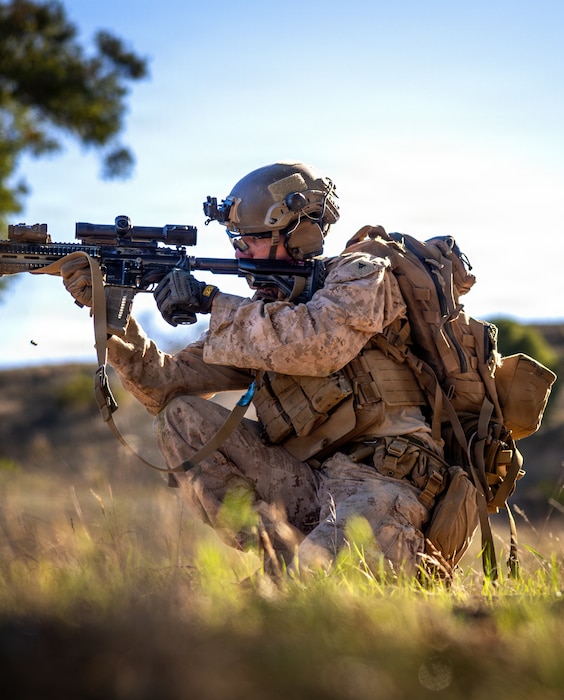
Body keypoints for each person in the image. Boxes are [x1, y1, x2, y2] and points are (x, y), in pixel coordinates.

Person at [48, 161, 481, 577]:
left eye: (249, 240)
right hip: (310, 484)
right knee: (181, 418)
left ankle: (315, 570)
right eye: (236, 241)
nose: (240, 252)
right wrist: (109, 313)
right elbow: (163, 384)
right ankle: (280, 559)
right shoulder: (265, 315)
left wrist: (209, 301)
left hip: (384, 484)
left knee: (315, 588)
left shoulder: (364, 274)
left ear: (300, 232)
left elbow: (319, 342)